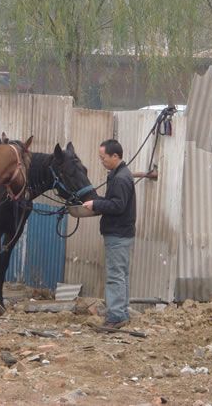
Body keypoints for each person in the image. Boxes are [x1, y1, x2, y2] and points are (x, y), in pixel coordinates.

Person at [82, 139, 136, 329]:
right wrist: (98, 201)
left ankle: (115, 317)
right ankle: (121, 312)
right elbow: (114, 201)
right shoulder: (118, 174)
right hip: (122, 232)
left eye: (103, 158)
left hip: (118, 234)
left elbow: (117, 205)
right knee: (121, 274)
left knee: (115, 276)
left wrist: (96, 204)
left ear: (115, 156)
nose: (101, 161)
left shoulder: (121, 178)